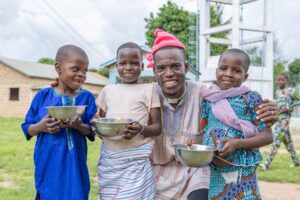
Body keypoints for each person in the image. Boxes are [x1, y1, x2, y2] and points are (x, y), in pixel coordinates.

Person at [147, 29, 279, 200]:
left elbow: (262, 126)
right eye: (161, 68)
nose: (169, 73)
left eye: (175, 66)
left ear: (186, 68)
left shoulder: (205, 93)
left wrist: (271, 109)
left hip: (198, 173)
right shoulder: (146, 96)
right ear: (154, 71)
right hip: (160, 174)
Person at [21, 45, 97, 200]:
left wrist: (78, 125)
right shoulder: (43, 96)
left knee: (77, 194)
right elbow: (27, 127)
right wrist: (40, 127)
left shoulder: (87, 98)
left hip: (76, 166)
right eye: (75, 69)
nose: (81, 74)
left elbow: (91, 131)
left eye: (85, 71)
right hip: (49, 164)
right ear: (58, 68)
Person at [201, 48, 273, 199]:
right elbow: (204, 130)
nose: (228, 73)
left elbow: (267, 136)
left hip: (243, 170)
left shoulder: (251, 99)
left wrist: (237, 143)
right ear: (216, 71)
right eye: (223, 68)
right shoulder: (208, 99)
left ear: (245, 76)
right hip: (216, 170)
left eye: (236, 70)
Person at [96, 42, 162, 199]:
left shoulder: (149, 89)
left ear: (142, 65)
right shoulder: (108, 91)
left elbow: (157, 127)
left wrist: (140, 129)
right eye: (123, 63)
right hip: (111, 161)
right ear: (116, 65)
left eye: (134, 63)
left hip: (136, 162)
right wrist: (98, 129)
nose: (128, 67)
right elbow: (100, 121)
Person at [261, 73, 300, 170]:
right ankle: (296, 162)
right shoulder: (277, 92)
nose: (280, 82)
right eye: (278, 80)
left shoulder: (291, 91)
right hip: (278, 120)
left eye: (282, 80)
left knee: (276, 141)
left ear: (286, 81)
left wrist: (289, 107)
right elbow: (277, 105)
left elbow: (299, 101)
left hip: (285, 121)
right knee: (288, 143)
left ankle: (266, 164)